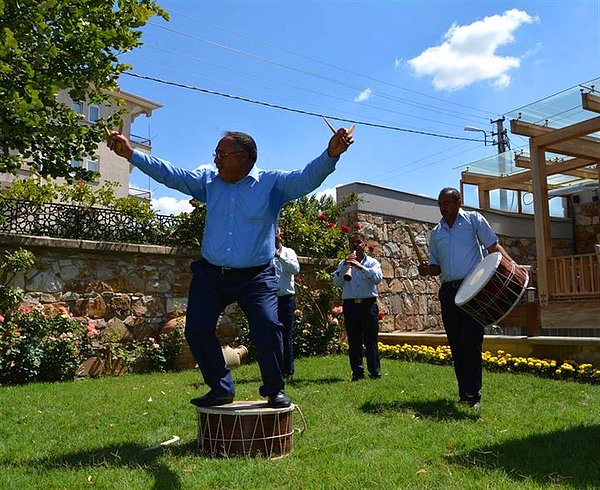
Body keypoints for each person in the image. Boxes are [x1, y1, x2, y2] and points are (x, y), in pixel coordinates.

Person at [107, 126, 353, 408]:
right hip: (212, 275)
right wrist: (131, 155)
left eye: (222, 154)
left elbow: (306, 179)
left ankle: (275, 389)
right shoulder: (209, 183)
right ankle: (221, 388)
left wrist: (331, 154)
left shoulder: (271, 185)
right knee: (197, 329)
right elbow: (171, 174)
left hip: (256, 277)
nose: (216, 160)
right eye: (216, 154)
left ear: (245, 156)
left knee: (268, 326)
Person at [417, 187, 516, 409]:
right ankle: (464, 392)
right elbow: (436, 266)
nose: (443, 207)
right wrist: (427, 269)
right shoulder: (436, 233)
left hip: (472, 289)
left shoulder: (473, 220)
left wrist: (512, 268)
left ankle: (474, 395)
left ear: (458, 202)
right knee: (456, 343)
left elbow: (493, 247)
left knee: (472, 342)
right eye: (440, 204)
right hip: (448, 292)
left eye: (447, 203)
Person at [332, 232, 383, 381]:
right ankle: (357, 373)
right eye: (352, 242)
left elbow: (377, 279)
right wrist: (344, 268)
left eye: (358, 242)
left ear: (364, 245)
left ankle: (375, 373)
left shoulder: (372, 263)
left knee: (370, 340)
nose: (355, 245)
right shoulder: (343, 264)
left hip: (368, 305)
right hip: (350, 306)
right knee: (353, 340)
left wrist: (360, 267)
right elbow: (336, 282)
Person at [273, 227, 300, 380]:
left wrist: (279, 256)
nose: (273, 234)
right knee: (271, 334)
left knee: (286, 334)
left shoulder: (289, 252)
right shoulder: (263, 251)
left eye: (275, 231)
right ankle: (274, 369)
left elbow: (295, 269)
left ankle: (288, 371)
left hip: (286, 298)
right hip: (270, 299)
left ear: (281, 233)